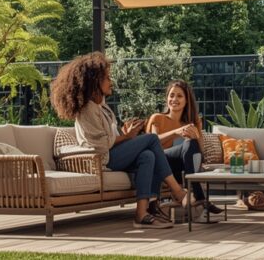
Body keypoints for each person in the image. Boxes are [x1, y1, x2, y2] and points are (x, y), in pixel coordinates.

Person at [50, 52, 188, 229]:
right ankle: (177, 191)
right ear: (95, 81)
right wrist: (127, 137)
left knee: (148, 156)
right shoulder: (87, 109)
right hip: (102, 159)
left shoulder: (101, 107)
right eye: (107, 78)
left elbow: (109, 136)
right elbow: (101, 145)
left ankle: (142, 213)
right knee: (152, 139)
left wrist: (125, 134)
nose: (111, 81)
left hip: (111, 154)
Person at [145, 80, 225, 217]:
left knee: (190, 143)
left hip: (182, 168)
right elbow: (153, 141)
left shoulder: (193, 122)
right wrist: (176, 132)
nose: (174, 99)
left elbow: (200, 151)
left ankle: (196, 195)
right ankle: (199, 196)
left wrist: (196, 138)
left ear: (187, 100)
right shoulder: (157, 118)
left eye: (179, 96)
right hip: (161, 163)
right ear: (167, 98)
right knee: (187, 143)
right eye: (171, 95)